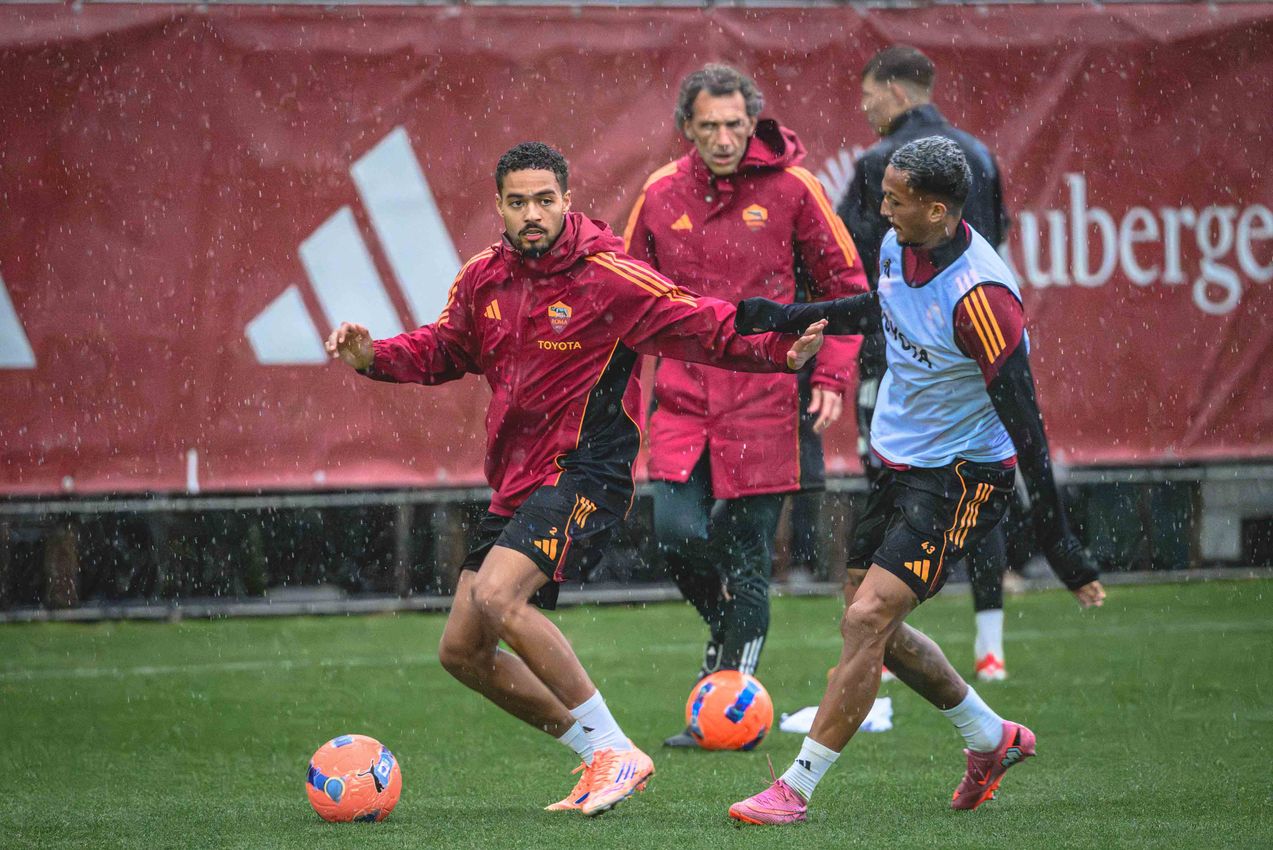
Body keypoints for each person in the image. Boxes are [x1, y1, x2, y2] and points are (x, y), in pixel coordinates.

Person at [325, 142, 827, 818]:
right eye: (517, 202)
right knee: (462, 651)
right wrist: (371, 357)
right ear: (498, 205)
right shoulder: (482, 278)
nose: (531, 214)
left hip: (584, 472)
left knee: (501, 596)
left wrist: (774, 349)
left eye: (544, 200)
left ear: (566, 200)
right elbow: (446, 348)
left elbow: (696, 320)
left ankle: (617, 749)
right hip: (516, 481)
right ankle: (594, 754)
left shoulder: (608, 275)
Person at [727, 136, 1106, 825]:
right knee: (872, 625)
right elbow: (882, 308)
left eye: (895, 200)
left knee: (867, 618)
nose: (881, 208)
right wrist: (788, 317)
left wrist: (1059, 543)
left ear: (937, 209)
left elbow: (1027, 429)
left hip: (964, 476)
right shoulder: (898, 242)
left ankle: (795, 789)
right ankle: (989, 738)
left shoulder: (983, 300)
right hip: (901, 462)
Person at [624, 64, 868, 747]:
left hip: (767, 397)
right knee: (676, 535)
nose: (723, 138)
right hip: (683, 397)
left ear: (751, 120)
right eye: (709, 126)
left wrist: (832, 375)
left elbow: (846, 284)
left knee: (747, 551)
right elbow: (624, 296)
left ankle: (734, 718)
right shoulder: (659, 193)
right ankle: (725, 631)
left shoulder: (793, 188)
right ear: (687, 129)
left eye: (734, 124)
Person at [837, 44, 1016, 680]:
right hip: (983, 344)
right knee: (981, 474)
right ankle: (989, 643)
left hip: (902, 358)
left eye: (868, 98)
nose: (866, 111)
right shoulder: (981, 154)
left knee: (896, 477)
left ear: (896, 93)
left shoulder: (882, 165)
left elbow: (853, 261)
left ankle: (874, 646)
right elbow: (1000, 237)